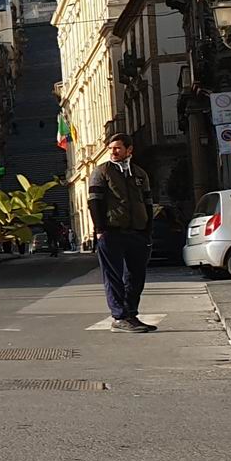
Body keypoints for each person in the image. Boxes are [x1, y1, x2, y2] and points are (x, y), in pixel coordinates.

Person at [86, 130, 156, 332]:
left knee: (136, 276)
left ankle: (131, 314)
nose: (113, 152)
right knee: (113, 276)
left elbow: (148, 203)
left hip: (138, 231)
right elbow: (94, 202)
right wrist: (100, 230)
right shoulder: (102, 171)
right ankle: (119, 316)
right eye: (111, 148)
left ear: (129, 149)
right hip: (112, 231)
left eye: (117, 148)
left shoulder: (140, 174)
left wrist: (147, 229)